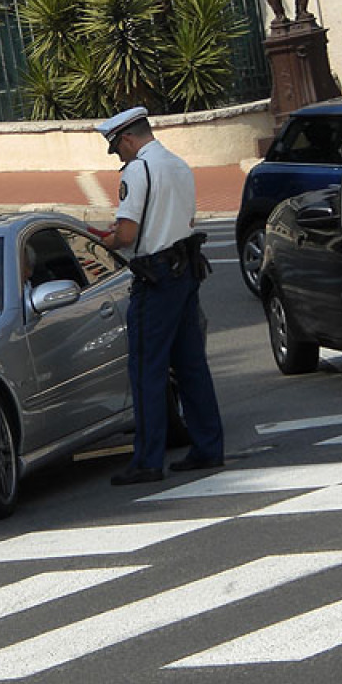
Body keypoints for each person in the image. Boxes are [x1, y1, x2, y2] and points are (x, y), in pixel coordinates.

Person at [93, 107, 224, 485]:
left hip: (156, 277)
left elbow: (129, 234)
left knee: (146, 369)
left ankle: (148, 460)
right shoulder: (178, 164)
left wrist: (106, 238)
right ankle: (208, 446)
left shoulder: (139, 171)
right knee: (191, 365)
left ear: (128, 139)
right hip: (185, 270)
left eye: (118, 147)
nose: (119, 155)